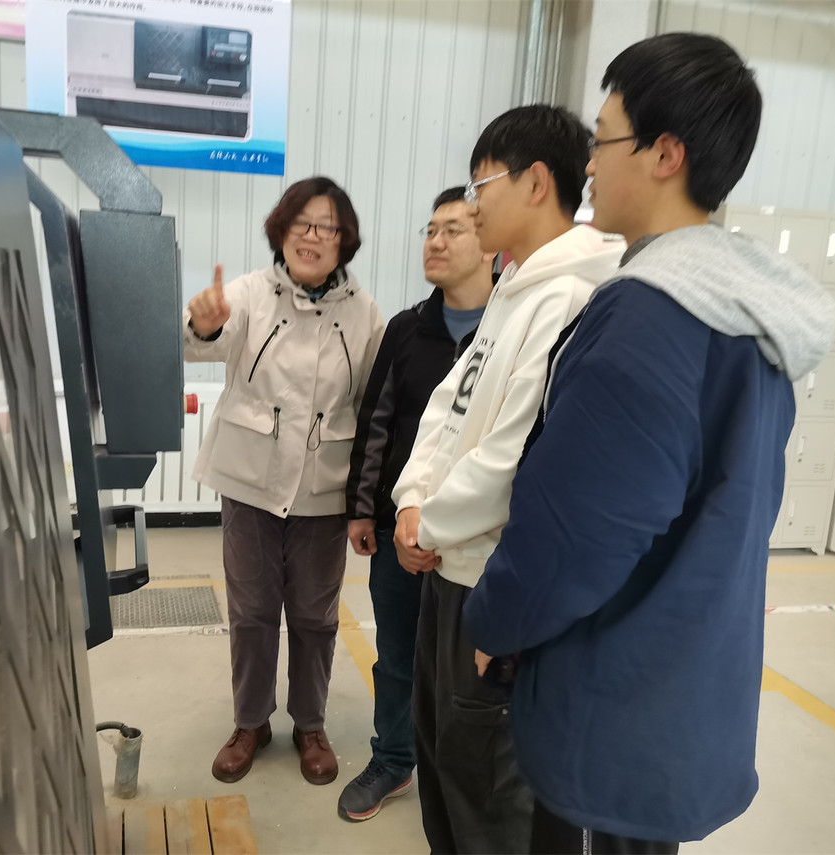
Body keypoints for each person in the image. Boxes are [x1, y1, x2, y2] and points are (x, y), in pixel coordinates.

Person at [462, 33, 835, 853]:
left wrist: (494, 619)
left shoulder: (649, 317)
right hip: (688, 683)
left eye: (603, 140)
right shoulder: (749, 315)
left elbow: (576, 537)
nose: (589, 164)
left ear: (665, 154)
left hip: (611, 697)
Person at [391, 105, 625, 854]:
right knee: (444, 761)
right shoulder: (516, 285)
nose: (470, 206)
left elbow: (513, 454)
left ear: (535, 183)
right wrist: (411, 499)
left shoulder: (572, 296)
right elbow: (447, 405)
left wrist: (428, 523)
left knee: (489, 792)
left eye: (480, 186)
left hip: (490, 584)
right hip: (448, 567)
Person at [183, 176, 385, 786]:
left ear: (344, 240)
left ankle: (310, 724)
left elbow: (372, 405)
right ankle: (250, 722)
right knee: (250, 610)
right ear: (282, 230)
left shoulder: (364, 313)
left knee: (316, 614)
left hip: (323, 490)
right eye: (302, 222)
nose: (312, 235)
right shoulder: (248, 293)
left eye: (327, 226)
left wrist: (366, 499)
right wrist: (204, 325)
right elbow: (203, 345)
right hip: (250, 483)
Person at [339, 187, 496, 822]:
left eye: (453, 229)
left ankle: (455, 776)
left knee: (472, 667)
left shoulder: (512, 330)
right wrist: (364, 510)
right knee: (398, 656)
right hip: (397, 532)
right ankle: (393, 759)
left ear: (490, 240)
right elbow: (375, 422)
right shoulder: (407, 330)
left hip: (480, 542)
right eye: (430, 230)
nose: (435, 241)